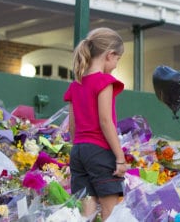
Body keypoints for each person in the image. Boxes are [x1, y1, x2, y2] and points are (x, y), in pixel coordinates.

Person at [63, 27, 128, 221]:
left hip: (79, 152)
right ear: (110, 55)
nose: (116, 65)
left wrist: (79, 149)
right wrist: (120, 157)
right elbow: (106, 121)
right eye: (118, 60)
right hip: (100, 151)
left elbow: (72, 126)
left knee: (86, 213)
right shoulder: (104, 81)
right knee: (110, 211)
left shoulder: (76, 84)